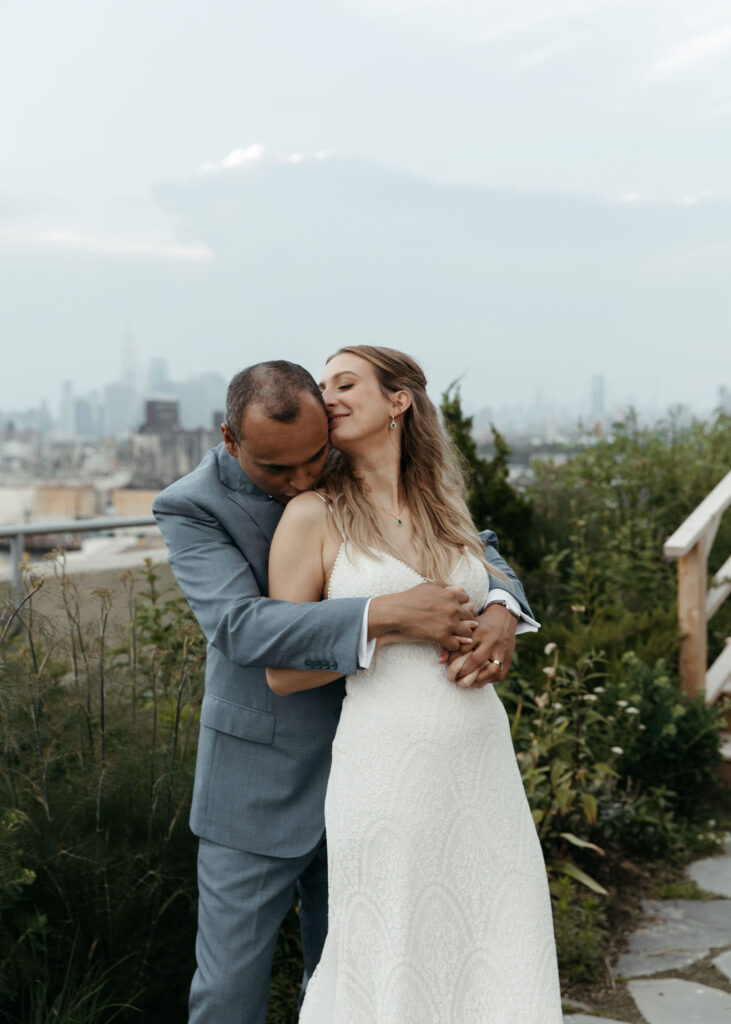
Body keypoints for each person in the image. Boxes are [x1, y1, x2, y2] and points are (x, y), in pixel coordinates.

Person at [153, 360, 535, 1024]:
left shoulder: (340, 459)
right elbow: (239, 627)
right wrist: (387, 613)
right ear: (229, 438)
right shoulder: (190, 505)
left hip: (382, 778)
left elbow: (475, 545)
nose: (303, 478)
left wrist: (502, 605)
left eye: (312, 457)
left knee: (354, 979)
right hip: (258, 783)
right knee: (227, 991)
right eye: (277, 470)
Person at [266, 346, 562, 1024]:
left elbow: (493, 582)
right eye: (322, 388)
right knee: (391, 942)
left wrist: (499, 612)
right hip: (385, 769)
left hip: (480, 761)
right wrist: (392, 624)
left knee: (499, 935)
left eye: (346, 383)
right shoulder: (312, 515)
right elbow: (282, 669)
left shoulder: (445, 506)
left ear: (398, 401)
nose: (328, 396)